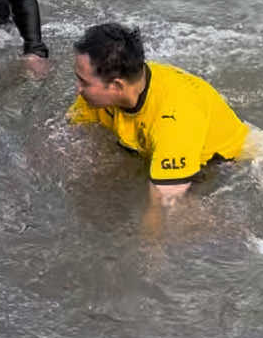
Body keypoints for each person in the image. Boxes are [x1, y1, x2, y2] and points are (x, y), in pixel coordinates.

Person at [68, 22, 248, 205]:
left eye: (84, 82)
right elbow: (71, 137)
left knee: (187, 218)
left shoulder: (174, 119)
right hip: (147, 148)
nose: (78, 89)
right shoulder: (98, 94)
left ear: (117, 86)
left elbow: (162, 210)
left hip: (220, 166)